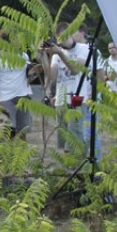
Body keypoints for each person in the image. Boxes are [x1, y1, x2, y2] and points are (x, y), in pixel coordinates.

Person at [41, 22, 104, 154]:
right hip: (61, 101)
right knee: (64, 141)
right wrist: (43, 56)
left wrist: (60, 54)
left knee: (76, 139)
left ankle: (78, 169)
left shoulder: (83, 49)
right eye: (59, 38)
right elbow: (50, 77)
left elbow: (76, 69)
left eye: (63, 37)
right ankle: (68, 167)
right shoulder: (57, 53)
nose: (61, 41)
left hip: (77, 100)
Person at [0, 31, 33, 137]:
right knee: (7, 133)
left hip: (23, 97)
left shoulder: (24, 55)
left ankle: (22, 153)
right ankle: (8, 153)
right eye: (16, 39)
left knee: (23, 132)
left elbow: (29, 74)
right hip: (6, 99)